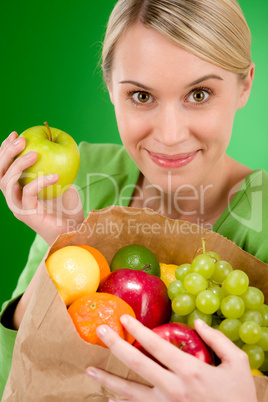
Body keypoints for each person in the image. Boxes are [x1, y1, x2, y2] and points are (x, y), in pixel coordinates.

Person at [0, 0, 267, 400]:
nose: (171, 134)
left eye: (199, 94)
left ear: (245, 85)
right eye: (142, 96)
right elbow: (18, 371)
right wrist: (65, 240)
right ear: (110, 88)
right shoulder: (83, 180)